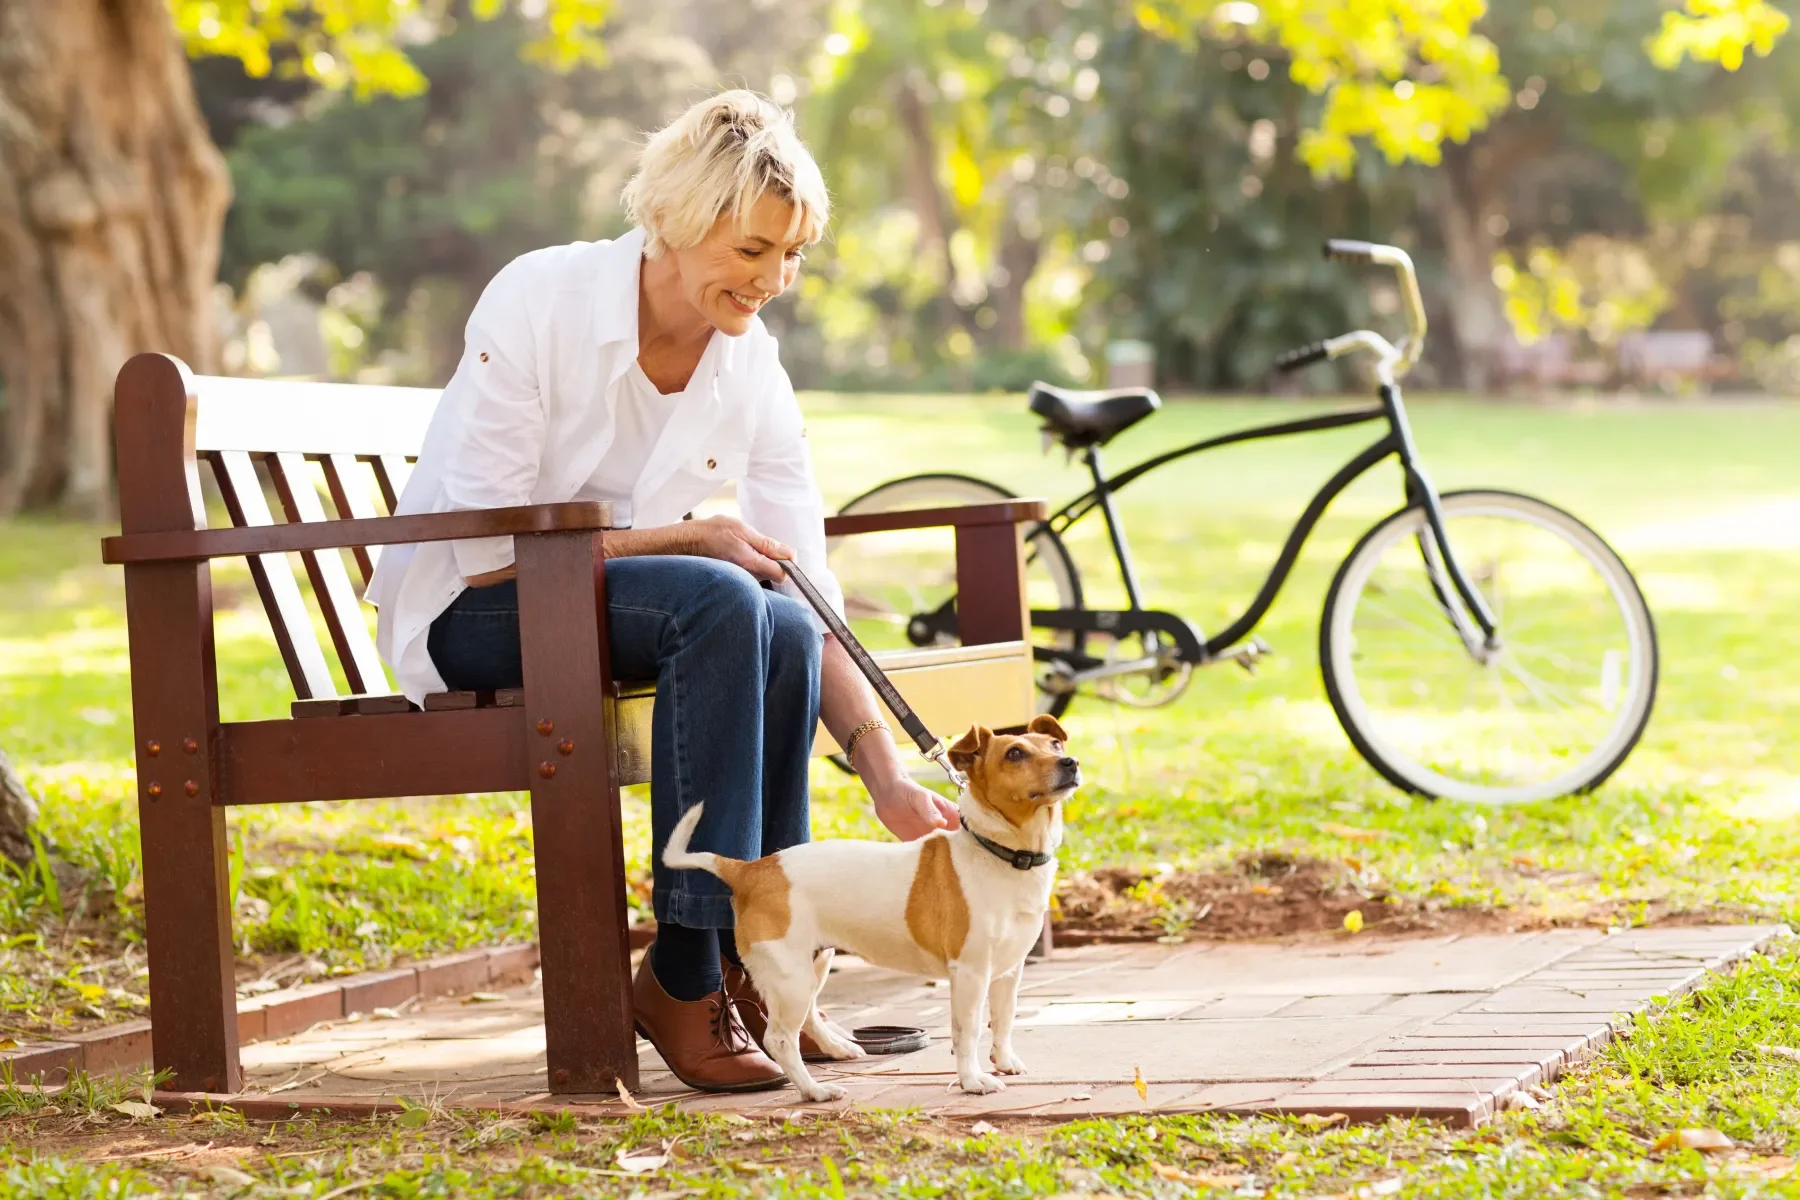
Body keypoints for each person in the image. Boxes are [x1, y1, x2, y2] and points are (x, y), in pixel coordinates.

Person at [365, 91, 961, 1093]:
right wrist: (694, 534)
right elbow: (485, 550)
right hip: (474, 613)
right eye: (753, 250)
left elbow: (807, 592)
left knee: (766, 610)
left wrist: (883, 770)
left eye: (792, 255)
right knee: (722, 596)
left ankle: (756, 957)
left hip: (616, 609)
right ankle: (684, 974)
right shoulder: (539, 300)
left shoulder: (749, 362)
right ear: (680, 223)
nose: (775, 279)